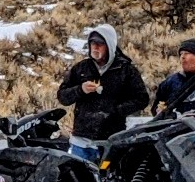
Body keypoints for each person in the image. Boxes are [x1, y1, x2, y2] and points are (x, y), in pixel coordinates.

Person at [55, 25, 147, 164]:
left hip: (111, 141)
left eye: (100, 43)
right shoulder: (81, 68)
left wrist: (116, 110)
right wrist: (81, 89)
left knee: (107, 175)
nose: (95, 47)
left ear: (109, 46)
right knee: (78, 175)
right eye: (92, 43)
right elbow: (62, 96)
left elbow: (142, 99)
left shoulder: (126, 70)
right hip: (81, 140)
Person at [150, 38, 195, 118]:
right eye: (181, 54)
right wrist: (160, 111)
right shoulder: (169, 83)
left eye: (187, 53)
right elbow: (156, 109)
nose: (182, 57)